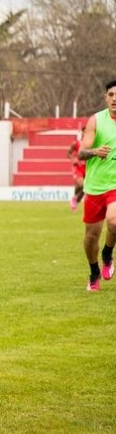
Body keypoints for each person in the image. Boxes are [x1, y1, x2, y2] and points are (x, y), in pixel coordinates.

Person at [76, 79, 116, 291]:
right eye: (111, 95)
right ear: (106, 97)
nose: (115, 99)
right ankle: (93, 272)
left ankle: (108, 253)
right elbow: (81, 153)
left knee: (114, 222)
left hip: (115, 187)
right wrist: (95, 151)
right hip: (94, 187)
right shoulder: (96, 121)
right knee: (91, 238)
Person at [68, 126, 86, 211]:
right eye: (84, 132)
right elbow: (68, 153)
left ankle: (75, 200)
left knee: (85, 188)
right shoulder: (76, 143)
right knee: (82, 185)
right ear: (82, 133)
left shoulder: (93, 144)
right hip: (78, 167)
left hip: (88, 168)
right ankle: (75, 197)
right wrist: (73, 159)